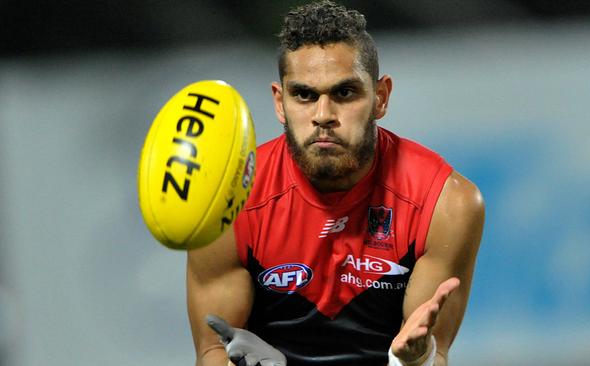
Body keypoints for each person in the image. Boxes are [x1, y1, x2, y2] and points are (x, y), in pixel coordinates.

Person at [187, 1, 484, 365]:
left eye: (344, 93)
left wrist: (413, 361)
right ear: (280, 102)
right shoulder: (229, 200)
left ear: (380, 97)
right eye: (304, 95)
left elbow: (433, 352)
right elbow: (212, 351)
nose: (323, 115)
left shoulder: (445, 202)